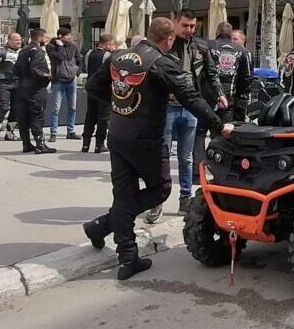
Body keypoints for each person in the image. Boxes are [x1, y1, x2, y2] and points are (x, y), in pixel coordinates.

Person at [83, 17, 233, 281]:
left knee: (124, 193)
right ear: (169, 39)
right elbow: (191, 97)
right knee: (160, 189)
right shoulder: (162, 63)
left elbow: (92, 86)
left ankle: (125, 254)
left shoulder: (118, 56)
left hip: (118, 133)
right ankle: (105, 227)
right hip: (146, 139)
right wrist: (219, 126)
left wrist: (122, 104)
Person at [148, 12, 206, 222]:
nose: (189, 29)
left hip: (189, 107)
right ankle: (157, 202)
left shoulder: (199, 47)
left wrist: (217, 96)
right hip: (168, 107)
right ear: (176, 24)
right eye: (185, 25)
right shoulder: (165, 46)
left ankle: (185, 198)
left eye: (192, 26)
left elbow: (209, 74)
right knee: (161, 156)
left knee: (186, 157)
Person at [16, 29, 56, 154]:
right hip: (36, 89)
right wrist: (48, 77)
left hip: (22, 87)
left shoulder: (23, 50)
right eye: (46, 37)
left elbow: (16, 69)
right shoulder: (37, 51)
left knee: (24, 117)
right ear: (41, 37)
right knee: (37, 115)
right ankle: (40, 144)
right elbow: (36, 70)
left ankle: (26, 144)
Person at [209, 21, 253, 121]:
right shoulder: (242, 52)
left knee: (200, 132)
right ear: (230, 34)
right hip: (229, 99)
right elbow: (247, 77)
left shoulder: (207, 46)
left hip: (208, 99)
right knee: (227, 131)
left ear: (217, 32)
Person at [46, 28, 82, 142]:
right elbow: (60, 57)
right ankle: (53, 132)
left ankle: (71, 131)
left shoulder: (73, 47)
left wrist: (78, 71)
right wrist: (60, 46)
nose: (69, 37)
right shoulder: (51, 46)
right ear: (60, 36)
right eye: (67, 36)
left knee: (73, 107)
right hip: (58, 80)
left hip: (71, 80)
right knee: (56, 108)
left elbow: (79, 59)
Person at [81, 34, 115, 154]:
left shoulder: (89, 53)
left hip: (91, 88)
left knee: (90, 116)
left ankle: (85, 144)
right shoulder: (108, 56)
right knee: (103, 118)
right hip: (104, 90)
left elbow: (86, 68)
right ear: (108, 44)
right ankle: (99, 145)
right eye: (113, 45)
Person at [0, 33, 22, 141]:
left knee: (17, 108)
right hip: (4, 82)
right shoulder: (1, 51)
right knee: (3, 107)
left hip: (18, 83)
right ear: (9, 40)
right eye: (16, 40)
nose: (19, 42)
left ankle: (10, 133)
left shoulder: (23, 52)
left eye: (20, 40)